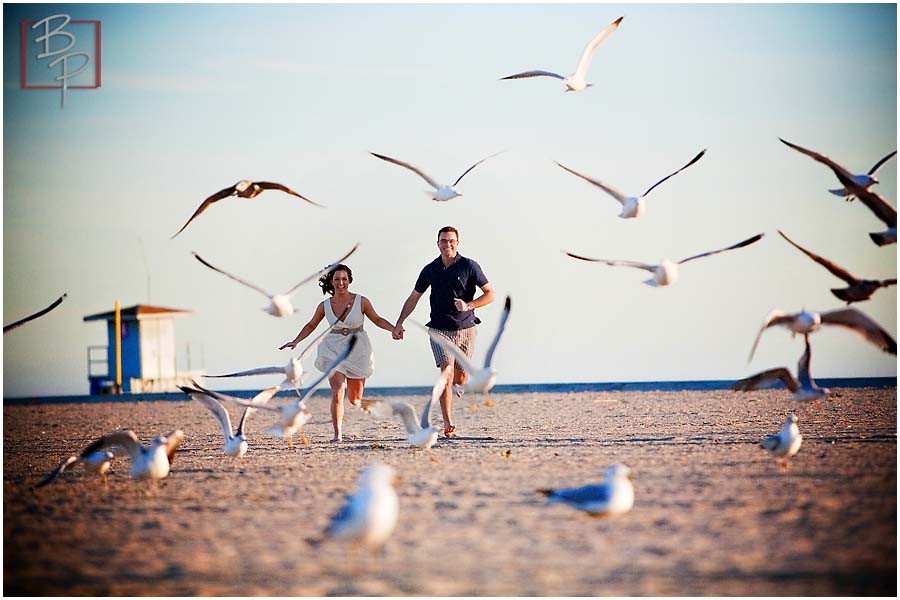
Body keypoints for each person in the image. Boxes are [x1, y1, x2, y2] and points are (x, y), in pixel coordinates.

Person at [392, 226, 495, 438]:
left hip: (466, 328)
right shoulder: (430, 269)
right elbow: (414, 297)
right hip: (439, 330)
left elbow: (490, 294)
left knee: (460, 378)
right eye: (443, 241)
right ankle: (448, 422)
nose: (447, 244)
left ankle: (460, 383)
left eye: (451, 241)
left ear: (457, 243)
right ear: (437, 243)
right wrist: (399, 322)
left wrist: (469, 305)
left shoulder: (469, 266)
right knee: (446, 374)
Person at [279, 264, 395, 442]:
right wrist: (296, 341)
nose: (341, 283)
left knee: (354, 399)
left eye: (344, 279)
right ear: (331, 282)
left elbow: (377, 319)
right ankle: (337, 434)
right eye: (337, 279)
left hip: (358, 348)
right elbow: (311, 325)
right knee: (337, 391)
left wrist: (393, 329)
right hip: (332, 348)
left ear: (349, 280)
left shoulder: (361, 301)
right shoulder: (324, 305)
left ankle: (357, 404)